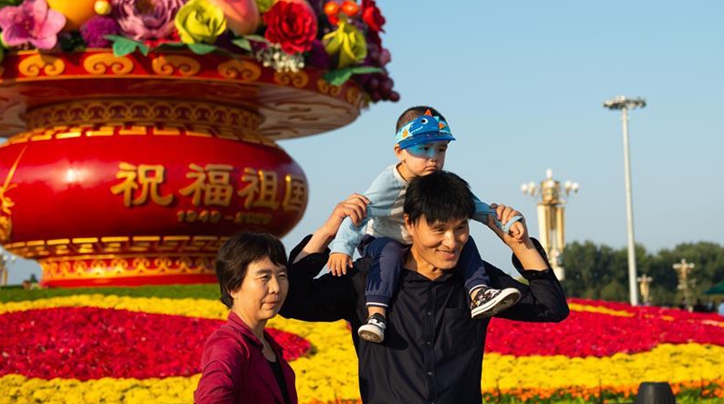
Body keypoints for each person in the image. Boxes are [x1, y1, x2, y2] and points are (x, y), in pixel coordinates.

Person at [281, 171, 570, 404]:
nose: (452, 242)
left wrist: (521, 245)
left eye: (460, 228)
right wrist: (328, 232)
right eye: (439, 229)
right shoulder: (368, 278)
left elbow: (551, 307)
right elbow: (292, 301)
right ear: (409, 223)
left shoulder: (476, 283)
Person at [326, 106, 525, 342]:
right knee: (390, 252)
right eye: (424, 149)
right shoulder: (387, 185)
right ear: (399, 152)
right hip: (381, 240)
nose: (434, 158)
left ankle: (478, 293)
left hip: (419, 245)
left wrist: (507, 221)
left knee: (465, 241)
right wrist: (341, 248)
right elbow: (357, 212)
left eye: (441, 149)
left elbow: (474, 207)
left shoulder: (439, 182)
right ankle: (377, 315)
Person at [195, 232, 297, 404]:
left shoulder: (269, 346)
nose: (276, 288)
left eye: (282, 276)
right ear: (233, 288)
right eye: (264, 277)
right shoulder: (229, 345)